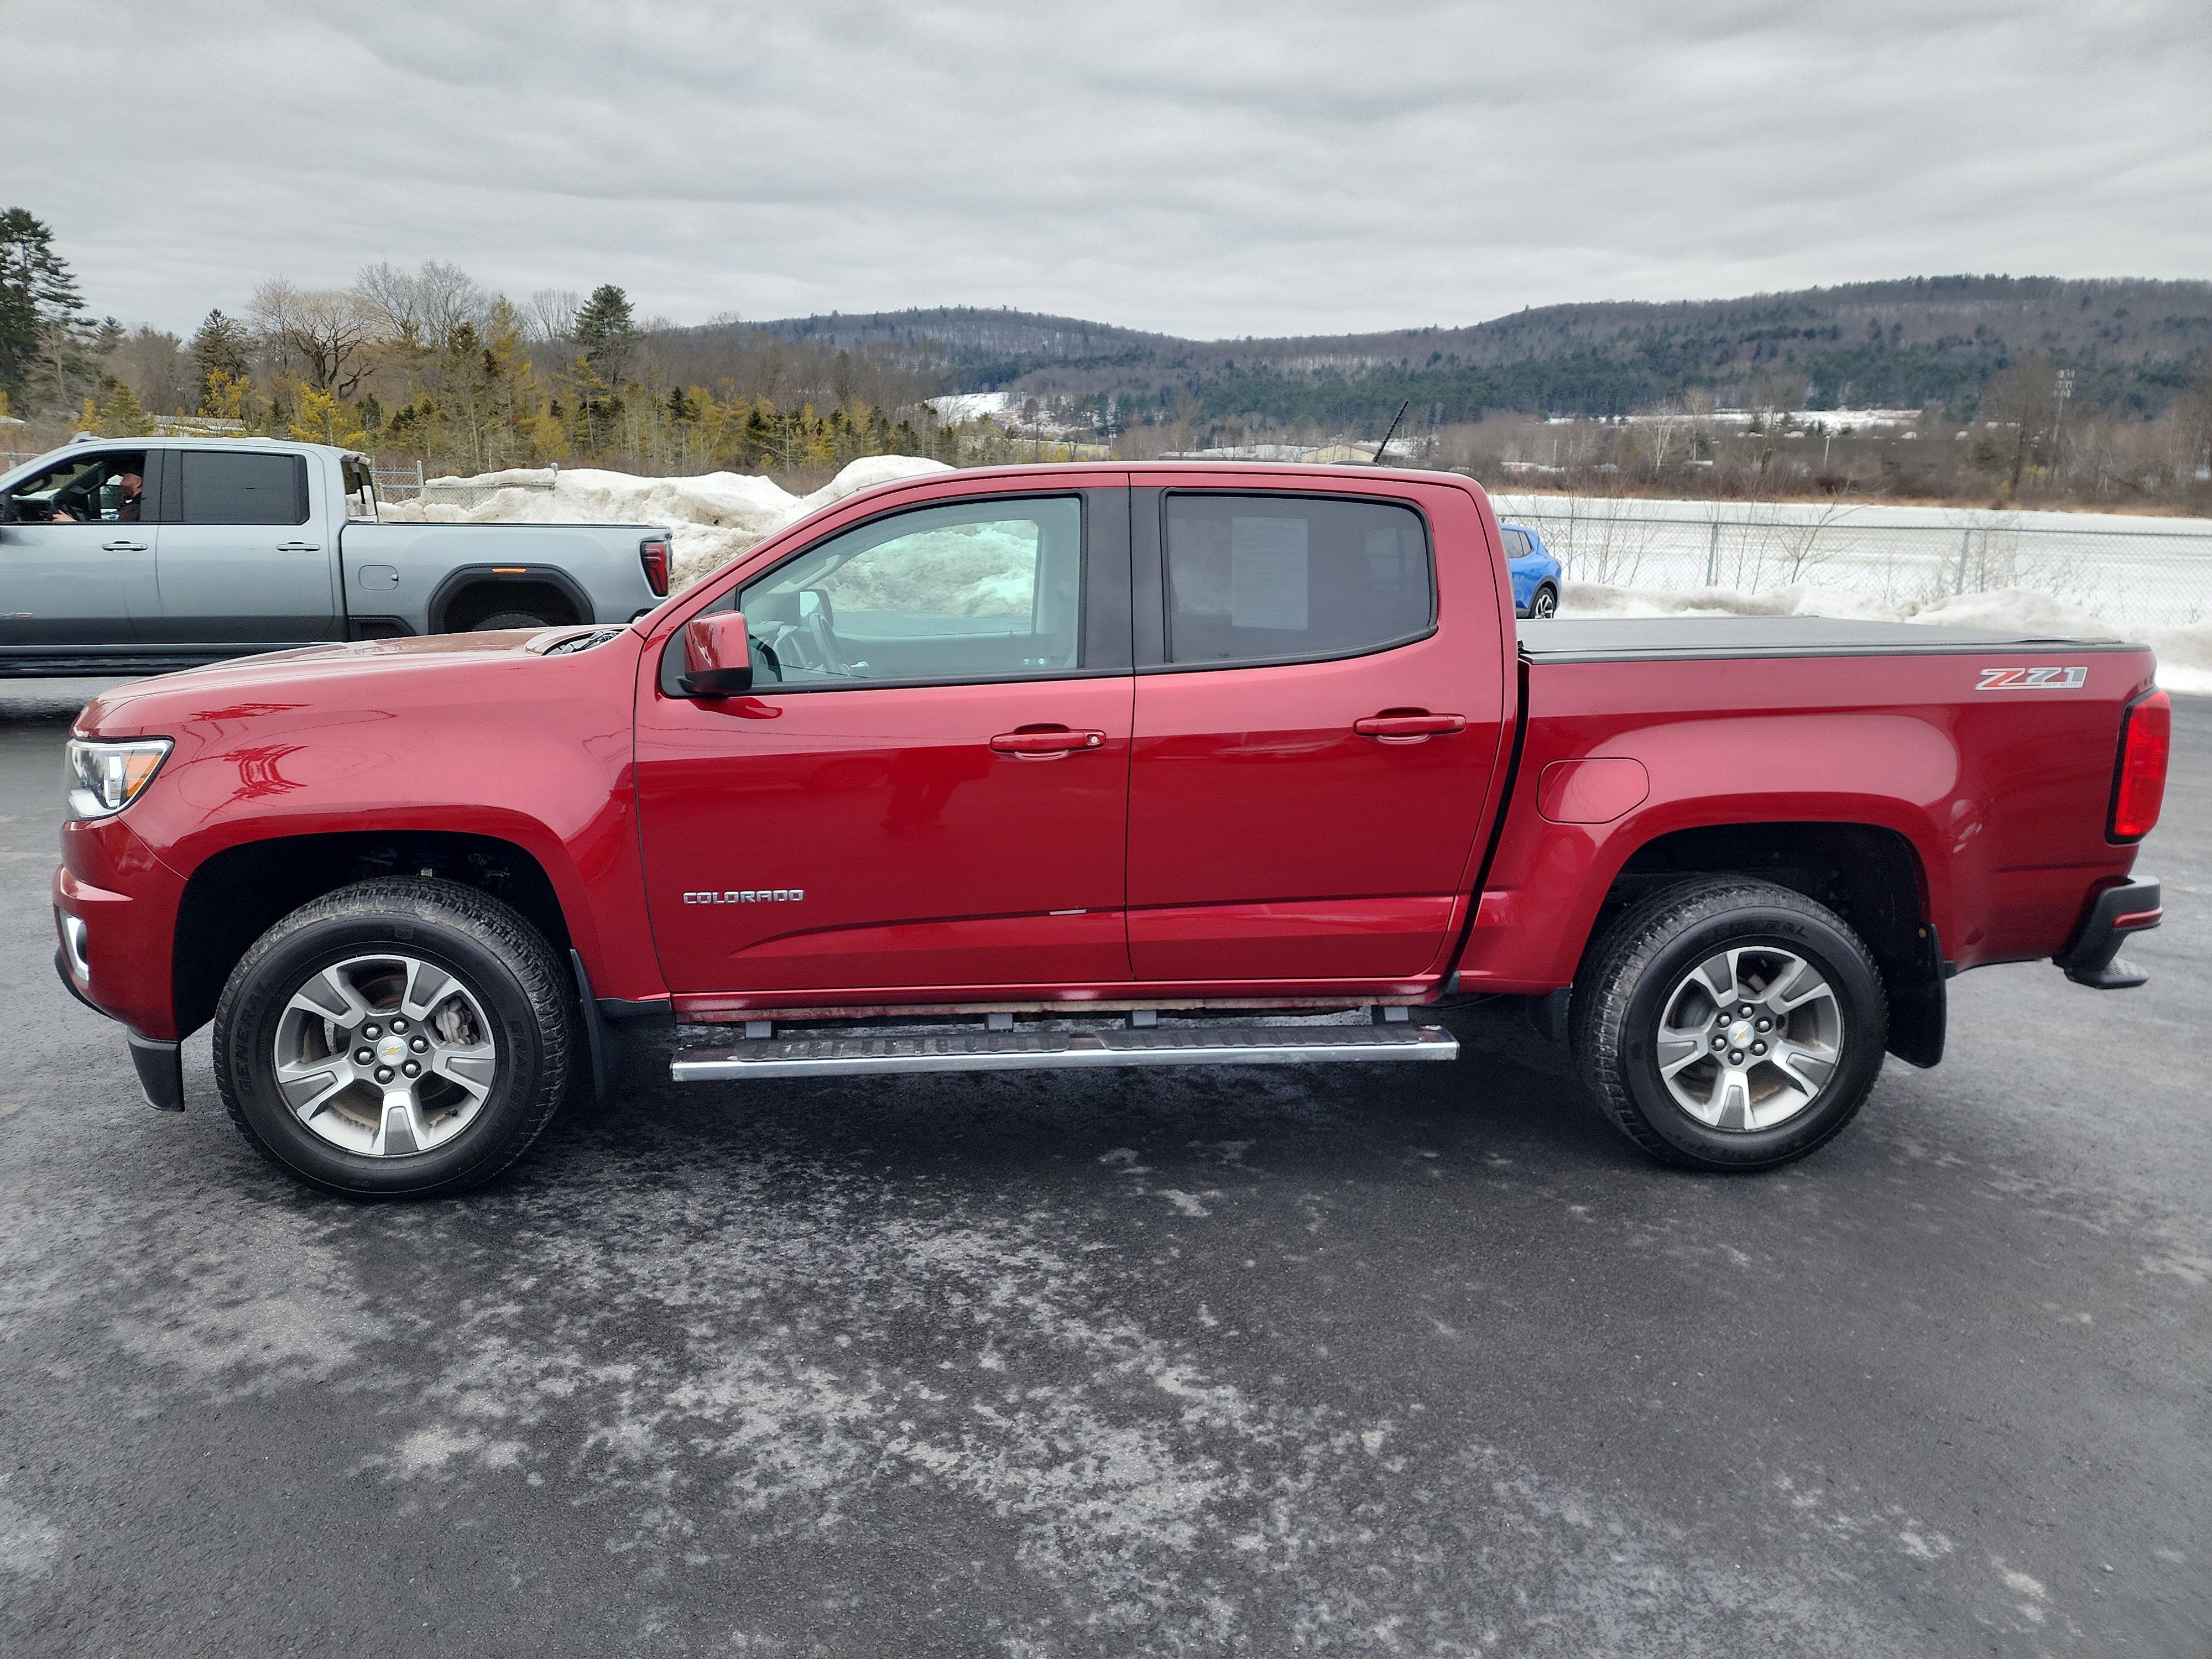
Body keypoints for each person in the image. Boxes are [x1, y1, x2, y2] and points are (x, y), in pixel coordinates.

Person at [50, 468, 142, 523]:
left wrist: (73, 524)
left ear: (138, 483)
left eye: (125, 479)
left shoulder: (134, 509)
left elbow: (116, 538)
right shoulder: (141, 505)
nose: (121, 484)